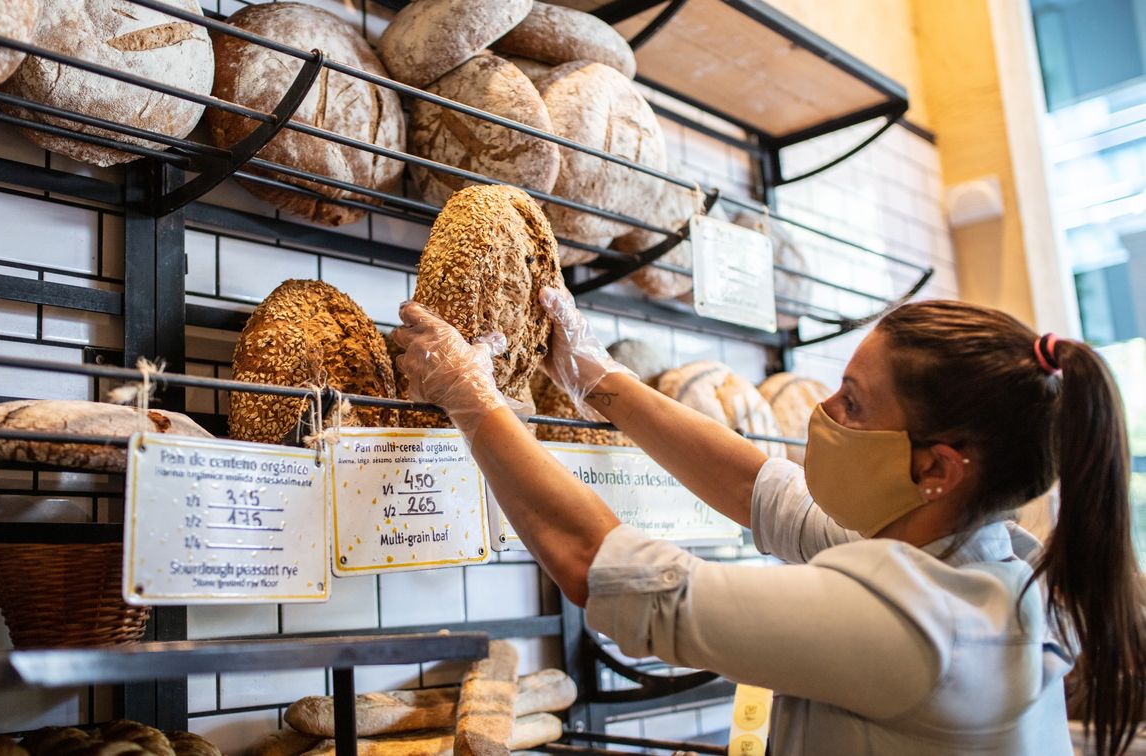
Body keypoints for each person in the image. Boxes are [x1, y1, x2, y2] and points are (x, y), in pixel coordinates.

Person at [392, 288, 1146, 755]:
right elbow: (763, 488)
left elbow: (597, 564)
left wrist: (472, 397)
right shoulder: (969, 561)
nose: (824, 411)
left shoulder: (927, 626)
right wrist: (601, 381)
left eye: (853, 402)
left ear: (938, 468)